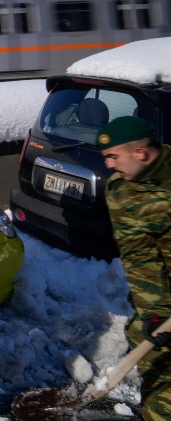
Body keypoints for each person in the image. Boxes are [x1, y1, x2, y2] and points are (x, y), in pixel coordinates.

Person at [100, 115, 171, 421]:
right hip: (164, 298)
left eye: (113, 156)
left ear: (140, 153)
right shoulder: (122, 192)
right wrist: (156, 311)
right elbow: (140, 255)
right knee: (161, 373)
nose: (109, 165)